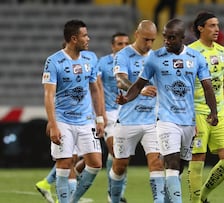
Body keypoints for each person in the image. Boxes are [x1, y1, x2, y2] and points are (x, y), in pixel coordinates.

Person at [116, 18, 218, 203]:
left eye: (171, 38)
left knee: (180, 165)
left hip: (188, 120)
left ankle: (169, 198)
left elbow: (207, 86)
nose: (167, 41)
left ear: (182, 38)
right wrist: (126, 98)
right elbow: (139, 84)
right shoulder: (155, 57)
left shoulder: (196, 58)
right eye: (165, 37)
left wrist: (214, 112)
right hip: (165, 119)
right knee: (171, 162)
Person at [41, 19, 104, 203]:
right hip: (63, 121)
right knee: (64, 164)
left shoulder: (90, 58)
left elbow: (94, 89)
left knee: (95, 164)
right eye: (85, 35)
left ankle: (72, 200)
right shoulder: (54, 61)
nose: (88, 39)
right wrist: (53, 124)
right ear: (74, 38)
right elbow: (48, 95)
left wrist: (99, 118)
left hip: (86, 120)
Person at [187, 11, 224, 203]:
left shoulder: (222, 51)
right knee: (198, 159)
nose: (217, 29)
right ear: (200, 28)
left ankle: (202, 196)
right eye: (212, 25)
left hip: (219, 113)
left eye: (217, 25)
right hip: (198, 112)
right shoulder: (191, 52)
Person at [109, 20, 166, 203]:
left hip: (152, 121)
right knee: (120, 166)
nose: (149, 44)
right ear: (137, 34)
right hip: (127, 121)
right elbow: (120, 81)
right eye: (145, 39)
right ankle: (115, 199)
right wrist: (139, 89)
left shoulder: (157, 57)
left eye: (152, 40)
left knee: (156, 163)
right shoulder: (123, 55)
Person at [96, 31, 130, 203]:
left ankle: (116, 192)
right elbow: (96, 89)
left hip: (128, 113)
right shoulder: (102, 63)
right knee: (117, 152)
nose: (123, 47)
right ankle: (115, 194)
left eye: (126, 44)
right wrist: (100, 115)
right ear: (113, 46)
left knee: (121, 156)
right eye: (120, 44)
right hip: (109, 112)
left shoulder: (133, 61)